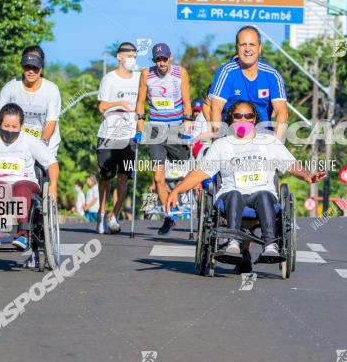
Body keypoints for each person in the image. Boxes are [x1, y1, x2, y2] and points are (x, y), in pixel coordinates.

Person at [166, 100, 324, 274]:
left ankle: (270, 244)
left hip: (262, 194)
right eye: (238, 116)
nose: (243, 119)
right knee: (233, 194)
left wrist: (306, 176)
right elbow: (200, 173)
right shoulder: (222, 145)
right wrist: (177, 190)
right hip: (231, 194)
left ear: (254, 119)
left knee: (264, 193)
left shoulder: (269, 142)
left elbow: (290, 165)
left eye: (248, 116)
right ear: (231, 119)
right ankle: (233, 243)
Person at [0, 103, 58, 251]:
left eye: (14, 127)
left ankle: (23, 233)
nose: (10, 130)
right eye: (6, 126)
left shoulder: (29, 140)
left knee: (21, 188)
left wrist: (53, 186)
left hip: (25, 181)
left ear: (21, 125)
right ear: (0, 123)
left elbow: (51, 163)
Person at [135, 43, 194, 235]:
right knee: (158, 177)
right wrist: (139, 127)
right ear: (154, 61)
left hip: (175, 128)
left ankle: (177, 197)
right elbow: (140, 103)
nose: (161, 63)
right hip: (155, 130)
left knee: (186, 169)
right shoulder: (146, 74)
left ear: (170, 58)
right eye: (157, 60)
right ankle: (169, 217)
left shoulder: (180, 73)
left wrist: (187, 124)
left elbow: (187, 102)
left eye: (164, 59)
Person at [208, 26, 288, 139]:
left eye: (252, 44)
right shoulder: (226, 72)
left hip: (263, 139)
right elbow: (215, 109)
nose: (247, 49)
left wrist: (276, 143)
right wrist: (220, 141)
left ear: (260, 48)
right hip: (231, 139)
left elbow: (282, 112)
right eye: (243, 44)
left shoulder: (272, 75)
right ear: (237, 48)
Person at [96, 42, 141, 234]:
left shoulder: (140, 79)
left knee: (124, 178)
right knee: (106, 177)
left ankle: (113, 216)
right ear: (119, 57)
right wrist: (119, 103)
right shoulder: (109, 79)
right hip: (108, 135)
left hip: (129, 136)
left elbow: (142, 107)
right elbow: (101, 107)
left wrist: (141, 128)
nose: (132, 59)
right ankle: (101, 212)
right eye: (129, 55)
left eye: (135, 55)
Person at [0, 46, 61, 156]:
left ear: (41, 68)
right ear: (22, 66)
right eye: (27, 67)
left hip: (44, 147)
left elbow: (51, 122)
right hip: (15, 146)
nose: (31, 71)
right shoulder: (10, 87)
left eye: (35, 67)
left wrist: (41, 145)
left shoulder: (51, 90)